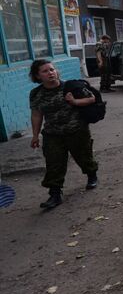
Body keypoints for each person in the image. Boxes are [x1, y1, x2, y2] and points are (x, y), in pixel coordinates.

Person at [29, 60, 99, 209]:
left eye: (52, 70)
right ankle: (55, 194)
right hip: (52, 134)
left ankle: (91, 175)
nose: (50, 73)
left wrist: (74, 101)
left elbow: (92, 98)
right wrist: (35, 136)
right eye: (45, 71)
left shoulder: (71, 86)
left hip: (76, 130)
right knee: (54, 163)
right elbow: (36, 114)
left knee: (83, 156)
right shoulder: (36, 94)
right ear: (38, 76)